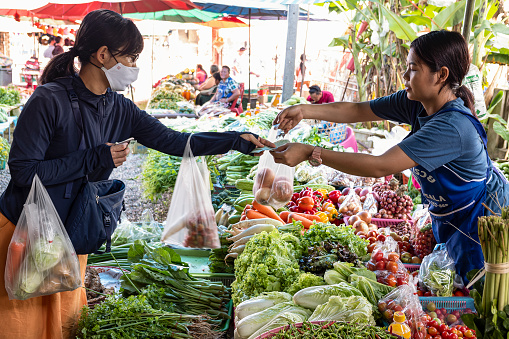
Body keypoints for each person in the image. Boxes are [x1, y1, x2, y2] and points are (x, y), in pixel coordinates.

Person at [0, 9, 273, 339]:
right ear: (103, 55)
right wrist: (94, 158)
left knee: (61, 326)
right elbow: (24, 173)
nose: (134, 67)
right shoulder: (48, 100)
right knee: (19, 326)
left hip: (69, 237)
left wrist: (235, 139)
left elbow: (173, 139)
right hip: (24, 235)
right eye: (130, 58)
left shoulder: (118, 108)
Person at [272, 30, 509, 282]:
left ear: (441, 75)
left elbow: (379, 166)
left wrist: (311, 152)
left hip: (481, 222)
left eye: (413, 69)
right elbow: (356, 109)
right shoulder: (416, 102)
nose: (405, 76)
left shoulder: (451, 127)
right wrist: (302, 110)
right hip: (453, 216)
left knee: (477, 296)